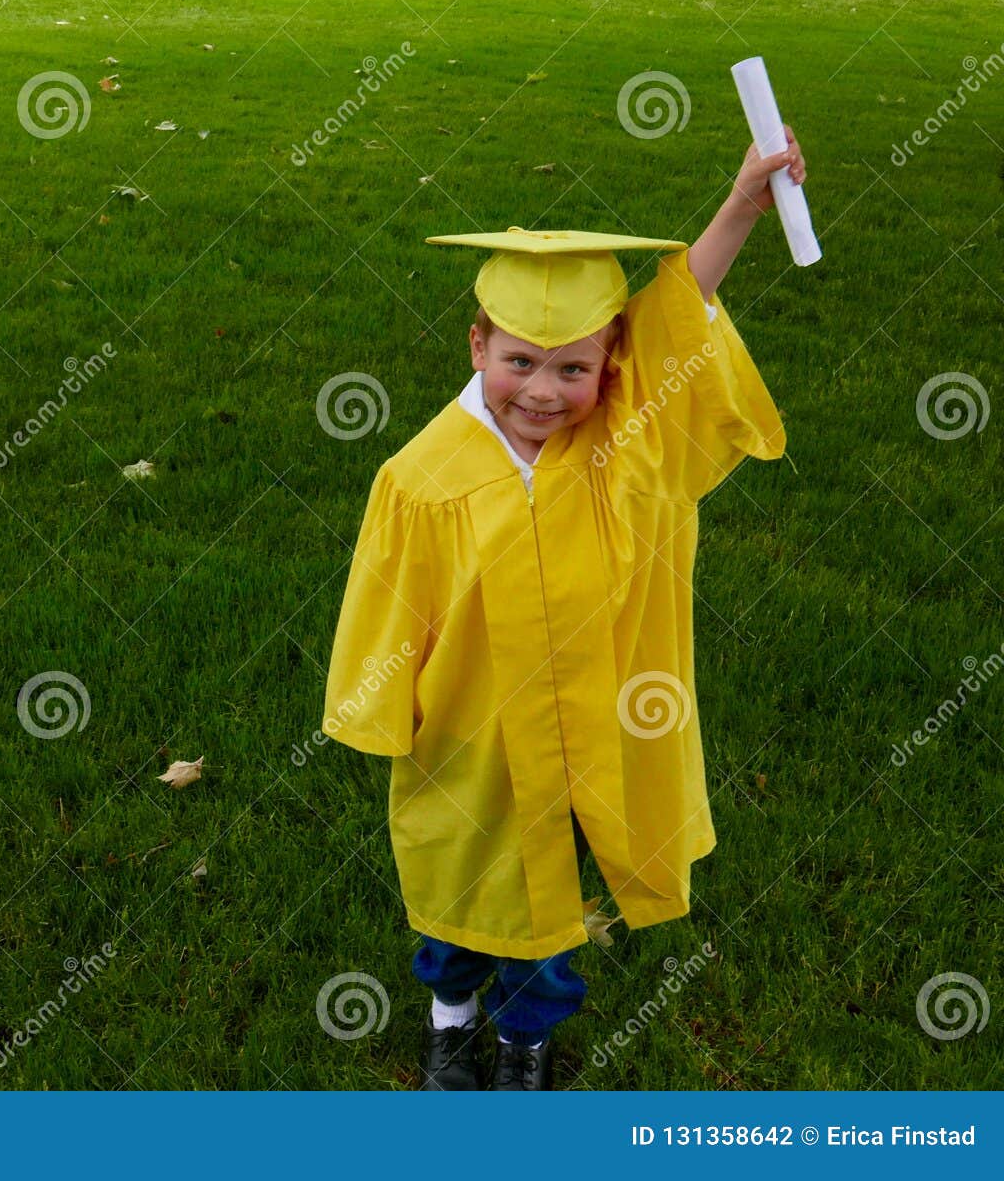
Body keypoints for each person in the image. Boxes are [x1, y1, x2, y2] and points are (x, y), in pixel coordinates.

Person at [321, 131, 806, 1090]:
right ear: (478, 346)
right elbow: (388, 603)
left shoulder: (625, 445)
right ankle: (449, 1015)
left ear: (611, 366)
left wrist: (744, 204)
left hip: (595, 728)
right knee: (460, 889)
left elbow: (679, 312)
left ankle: (526, 1042)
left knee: (554, 916)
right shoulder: (420, 478)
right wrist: (382, 705)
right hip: (473, 738)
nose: (544, 390)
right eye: (520, 363)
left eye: (574, 370)